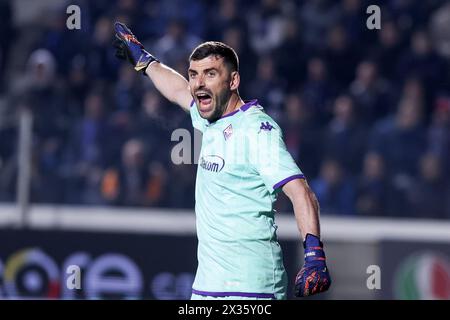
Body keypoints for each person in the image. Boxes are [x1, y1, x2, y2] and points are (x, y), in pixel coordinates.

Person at [113, 22, 331, 300]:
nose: (198, 83)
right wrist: (145, 61)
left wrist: (313, 254)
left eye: (210, 74)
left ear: (233, 81)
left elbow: (301, 193)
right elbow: (178, 90)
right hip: (207, 285)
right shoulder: (208, 118)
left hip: (252, 286)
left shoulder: (256, 129)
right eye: (194, 74)